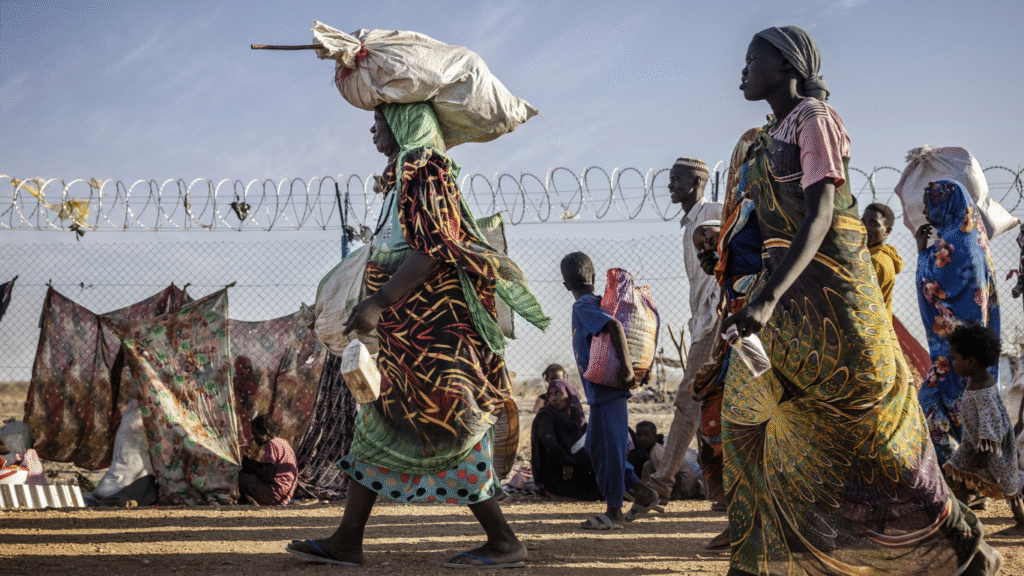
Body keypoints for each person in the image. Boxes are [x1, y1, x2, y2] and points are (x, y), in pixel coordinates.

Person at [719, 25, 1001, 575]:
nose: (743, 69)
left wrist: (767, 298)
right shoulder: (767, 134)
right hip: (785, 301)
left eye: (753, 59)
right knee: (746, 421)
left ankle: (967, 541)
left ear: (788, 65)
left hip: (833, 304)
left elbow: (822, 213)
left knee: (874, 435)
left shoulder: (815, 121)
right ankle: (750, 563)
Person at [286, 102, 548, 569]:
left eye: (379, 120)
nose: (372, 129)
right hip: (407, 339)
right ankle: (348, 539)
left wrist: (379, 301)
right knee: (377, 424)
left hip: (438, 340)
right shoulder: (401, 179)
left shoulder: (426, 171)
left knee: (450, 428)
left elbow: (433, 249)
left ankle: (505, 541)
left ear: (405, 124)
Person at [635, 157, 722, 517]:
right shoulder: (689, 224)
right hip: (704, 317)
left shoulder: (713, 213)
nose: (670, 186)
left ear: (698, 181)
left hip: (719, 314)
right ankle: (722, 492)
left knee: (690, 397)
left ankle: (661, 483)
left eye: (677, 180)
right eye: (669, 180)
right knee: (712, 406)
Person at [560, 251, 661, 530]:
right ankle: (643, 493)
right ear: (592, 277)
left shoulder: (582, 305)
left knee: (611, 450)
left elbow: (614, 325)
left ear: (565, 283)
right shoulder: (593, 301)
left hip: (606, 390)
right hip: (603, 392)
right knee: (596, 446)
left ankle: (614, 511)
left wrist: (628, 369)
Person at [916, 179, 1000, 467]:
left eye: (929, 206)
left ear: (945, 204)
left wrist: (921, 253)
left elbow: (932, 285)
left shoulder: (952, 244)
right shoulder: (976, 239)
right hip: (970, 352)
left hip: (958, 354)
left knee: (936, 404)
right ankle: (965, 477)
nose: (927, 215)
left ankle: (965, 476)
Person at [944, 324, 1024, 535]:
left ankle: (1022, 522)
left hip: (992, 451)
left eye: (955, 358)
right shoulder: (976, 380)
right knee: (953, 472)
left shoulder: (984, 392)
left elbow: (992, 427)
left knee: (1010, 489)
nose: (952, 363)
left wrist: (983, 453)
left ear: (971, 361)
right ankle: (962, 519)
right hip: (973, 445)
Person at [530, 378, 602, 501]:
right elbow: (550, 443)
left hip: (578, 469)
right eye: (550, 395)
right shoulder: (546, 416)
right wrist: (565, 462)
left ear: (569, 395)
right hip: (559, 472)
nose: (553, 398)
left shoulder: (577, 418)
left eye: (558, 393)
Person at [237, 415, 298, 506]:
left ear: (265, 431)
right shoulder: (283, 442)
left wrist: (250, 467)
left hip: (275, 494)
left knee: (241, 477)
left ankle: (251, 502)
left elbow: (268, 476)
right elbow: (272, 469)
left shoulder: (271, 444)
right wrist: (253, 464)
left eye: (255, 434)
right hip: (285, 495)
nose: (254, 438)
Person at [862, 202, 902, 316]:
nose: (865, 228)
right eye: (863, 222)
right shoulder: (871, 255)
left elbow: (863, 305)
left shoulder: (876, 261)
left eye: (873, 224)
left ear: (887, 231)